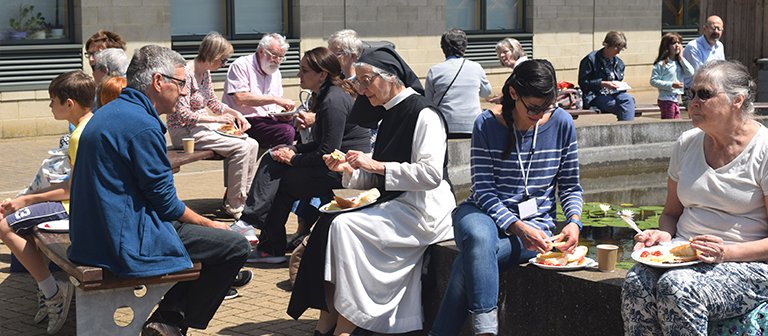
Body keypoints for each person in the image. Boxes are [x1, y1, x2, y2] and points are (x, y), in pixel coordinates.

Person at [67, 45, 250, 335]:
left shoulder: (112, 110)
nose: (185, 92)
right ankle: (171, 321)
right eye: (180, 83)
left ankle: (171, 315)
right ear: (157, 81)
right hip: (118, 243)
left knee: (204, 238)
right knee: (234, 246)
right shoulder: (141, 124)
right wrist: (213, 224)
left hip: (89, 235)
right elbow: (166, 204)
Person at [287, 46, 455, 336]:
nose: (363, 90)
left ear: (390, 78)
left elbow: (430, 175)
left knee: (343, 227)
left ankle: (346, 324)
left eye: (366, 81)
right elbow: (380, 178)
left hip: (425, 210)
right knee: (329, 224)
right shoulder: (388, 113)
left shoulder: (424, 114)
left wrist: (375, 165)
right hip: (399, 203)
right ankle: (330, 320)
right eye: (360, 82)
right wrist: (350, 173)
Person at [430, 59, 584, 336]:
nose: (539, 114)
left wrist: (573, 221)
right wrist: (517, 225)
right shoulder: (486, 124)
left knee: (472, 258)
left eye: (546, 106)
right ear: (514, 94)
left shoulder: (561, 123)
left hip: (537, 228)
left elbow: (571, 185)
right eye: (532, 108)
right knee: (479, 238)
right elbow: (484, 190)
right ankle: (486, 331)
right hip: (482, 212)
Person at [621, 60, 768, 335]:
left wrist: (726, 253)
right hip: (683, 256)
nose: (694, 102)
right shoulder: (687, 143)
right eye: (691, 94)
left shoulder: (764, 149)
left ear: (738, 100)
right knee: (636, 282)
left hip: (748, 264)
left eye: (705, 94)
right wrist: (663, 236)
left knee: (676, 287)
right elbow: (670, 214)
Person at [238, 47, 371, 263]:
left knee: (281, 183)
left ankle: (266, 244)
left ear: (322, 74)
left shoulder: (333, 101)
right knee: (272, 157)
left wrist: (294, 158)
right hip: (333, 163)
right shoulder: (327, 95)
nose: (299, 75)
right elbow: (322, 145)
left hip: (344, 169)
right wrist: (293, 149)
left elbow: (329, 152)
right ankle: (253, 228)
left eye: (304, 71)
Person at [0, 70, 95, 335]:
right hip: (81, 205)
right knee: (19, 222)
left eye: (53, 100)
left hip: (74, 209)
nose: (50, 106)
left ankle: (52, 291)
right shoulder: (90, 125)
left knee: (5, 226)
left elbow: (69, 190)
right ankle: (48, 288)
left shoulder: (78, 136)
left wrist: (26, 199)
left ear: (69, 104)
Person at [168, 31, 259, 219]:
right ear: (213, 56)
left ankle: (243, 198)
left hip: (201, 127)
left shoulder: (205, 73)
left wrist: (235, 113)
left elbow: (213, 103)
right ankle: (235, 204)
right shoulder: (186, 73)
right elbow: (183, 114)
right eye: (223, 60)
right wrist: (216, 120)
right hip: (184, 132)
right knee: (241, 147)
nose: (224, 64)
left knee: (252, 144)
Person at [222, 33, 297, 148]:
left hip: (268, 120)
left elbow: (274, 107)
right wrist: (275, 99)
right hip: (244, 121)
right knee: (286, 131)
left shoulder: (276, 72)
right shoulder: (241, 65)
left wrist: (283, 114)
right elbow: (240, 98)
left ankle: (299, 164)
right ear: (261, 51)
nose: (277, 61)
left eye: (281, 57)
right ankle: (278, 164)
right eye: (274, 55)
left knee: (302, 125)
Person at [425, 28, 492, 137]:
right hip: (472, 125)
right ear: (464, 47)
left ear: (443, 48)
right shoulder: (476, 67)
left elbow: (428, 100)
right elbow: (487, 92)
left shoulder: (434, 70)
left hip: (444, 125)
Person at [578, 31, 636, 121]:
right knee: (625, 107)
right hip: (595, 96)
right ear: (607, 45)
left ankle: (625, 130)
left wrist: (620, 86)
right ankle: (626, 131)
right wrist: (602, 83)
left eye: (621, 49)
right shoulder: (591, 59)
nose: (618, 52)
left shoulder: (619, 63)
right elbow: (583, 83)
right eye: (617, 48)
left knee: (628, 99)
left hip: (615, 93)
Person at [650, 32, 694, 119]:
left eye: (679, 43)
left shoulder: (679, 63)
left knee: (676, 122)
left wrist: (681, 57)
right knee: (669, 123)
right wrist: (671, 85)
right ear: (666, 47)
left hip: (676, 99)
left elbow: (691, 72)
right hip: (666, 99)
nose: (677, 45)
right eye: (673, 43)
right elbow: (653, 81)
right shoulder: (662, 64)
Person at [683, 15, 725, 89]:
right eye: (713, 28)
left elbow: (722, 68)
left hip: (712, 87)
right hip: (693, 90)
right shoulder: (693, 47)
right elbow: (699, 74)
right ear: (705, 29)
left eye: (719, 29)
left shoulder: (720, 46)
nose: (716, 31)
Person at [486, 38, 528, 104]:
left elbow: (524, 95)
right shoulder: (520, 68)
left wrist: (502, 100)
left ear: (515, 51)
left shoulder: (525, 69)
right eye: (499, 53)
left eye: (505, 52)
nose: (501, 55)